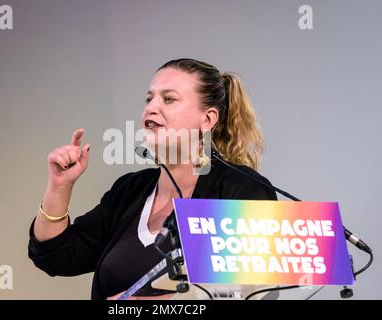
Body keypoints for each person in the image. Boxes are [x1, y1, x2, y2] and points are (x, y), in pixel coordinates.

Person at [28, 58, 277, 300]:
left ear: (207, 119)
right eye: (149, 98)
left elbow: (252, 291)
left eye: (168, 99)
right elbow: (54, 256)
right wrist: (60, 186)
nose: (151, 107)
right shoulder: (129, 191)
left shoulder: (242, 190)